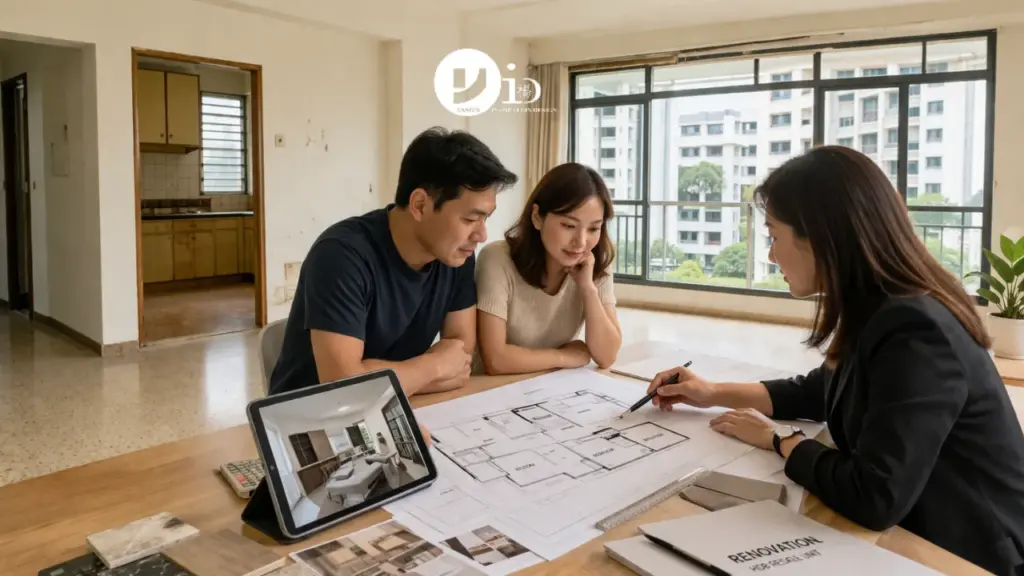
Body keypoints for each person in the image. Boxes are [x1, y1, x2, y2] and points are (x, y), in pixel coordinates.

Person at [646, 146, 1024, 575]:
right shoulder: (882, 306)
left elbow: (875, 496)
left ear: (820, 238)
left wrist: (780, 441)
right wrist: (710, 391)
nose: (771, 255)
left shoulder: (915, 330)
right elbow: (821, 391)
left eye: (774, 236)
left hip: (973, 556)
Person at [268, 126, 518, 398]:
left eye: (485, 219)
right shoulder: (341, 256)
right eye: (470, 219)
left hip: (398, 405)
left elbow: (461, 356)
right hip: (310, 413)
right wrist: (433, 367)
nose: (481, 235)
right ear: (420, 205)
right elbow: (343, 387)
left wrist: (384, 379)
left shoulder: (455, 255)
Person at [474, 162, 621, 375]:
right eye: (569, 226)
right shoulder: (497, 259)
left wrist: (588, 289)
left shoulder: (594, 264)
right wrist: (564, 356)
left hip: (549, 386)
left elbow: (607, 356)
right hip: (489, 388)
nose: (581, 242)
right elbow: (495, 360)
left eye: (593, 228)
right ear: (537, 217)